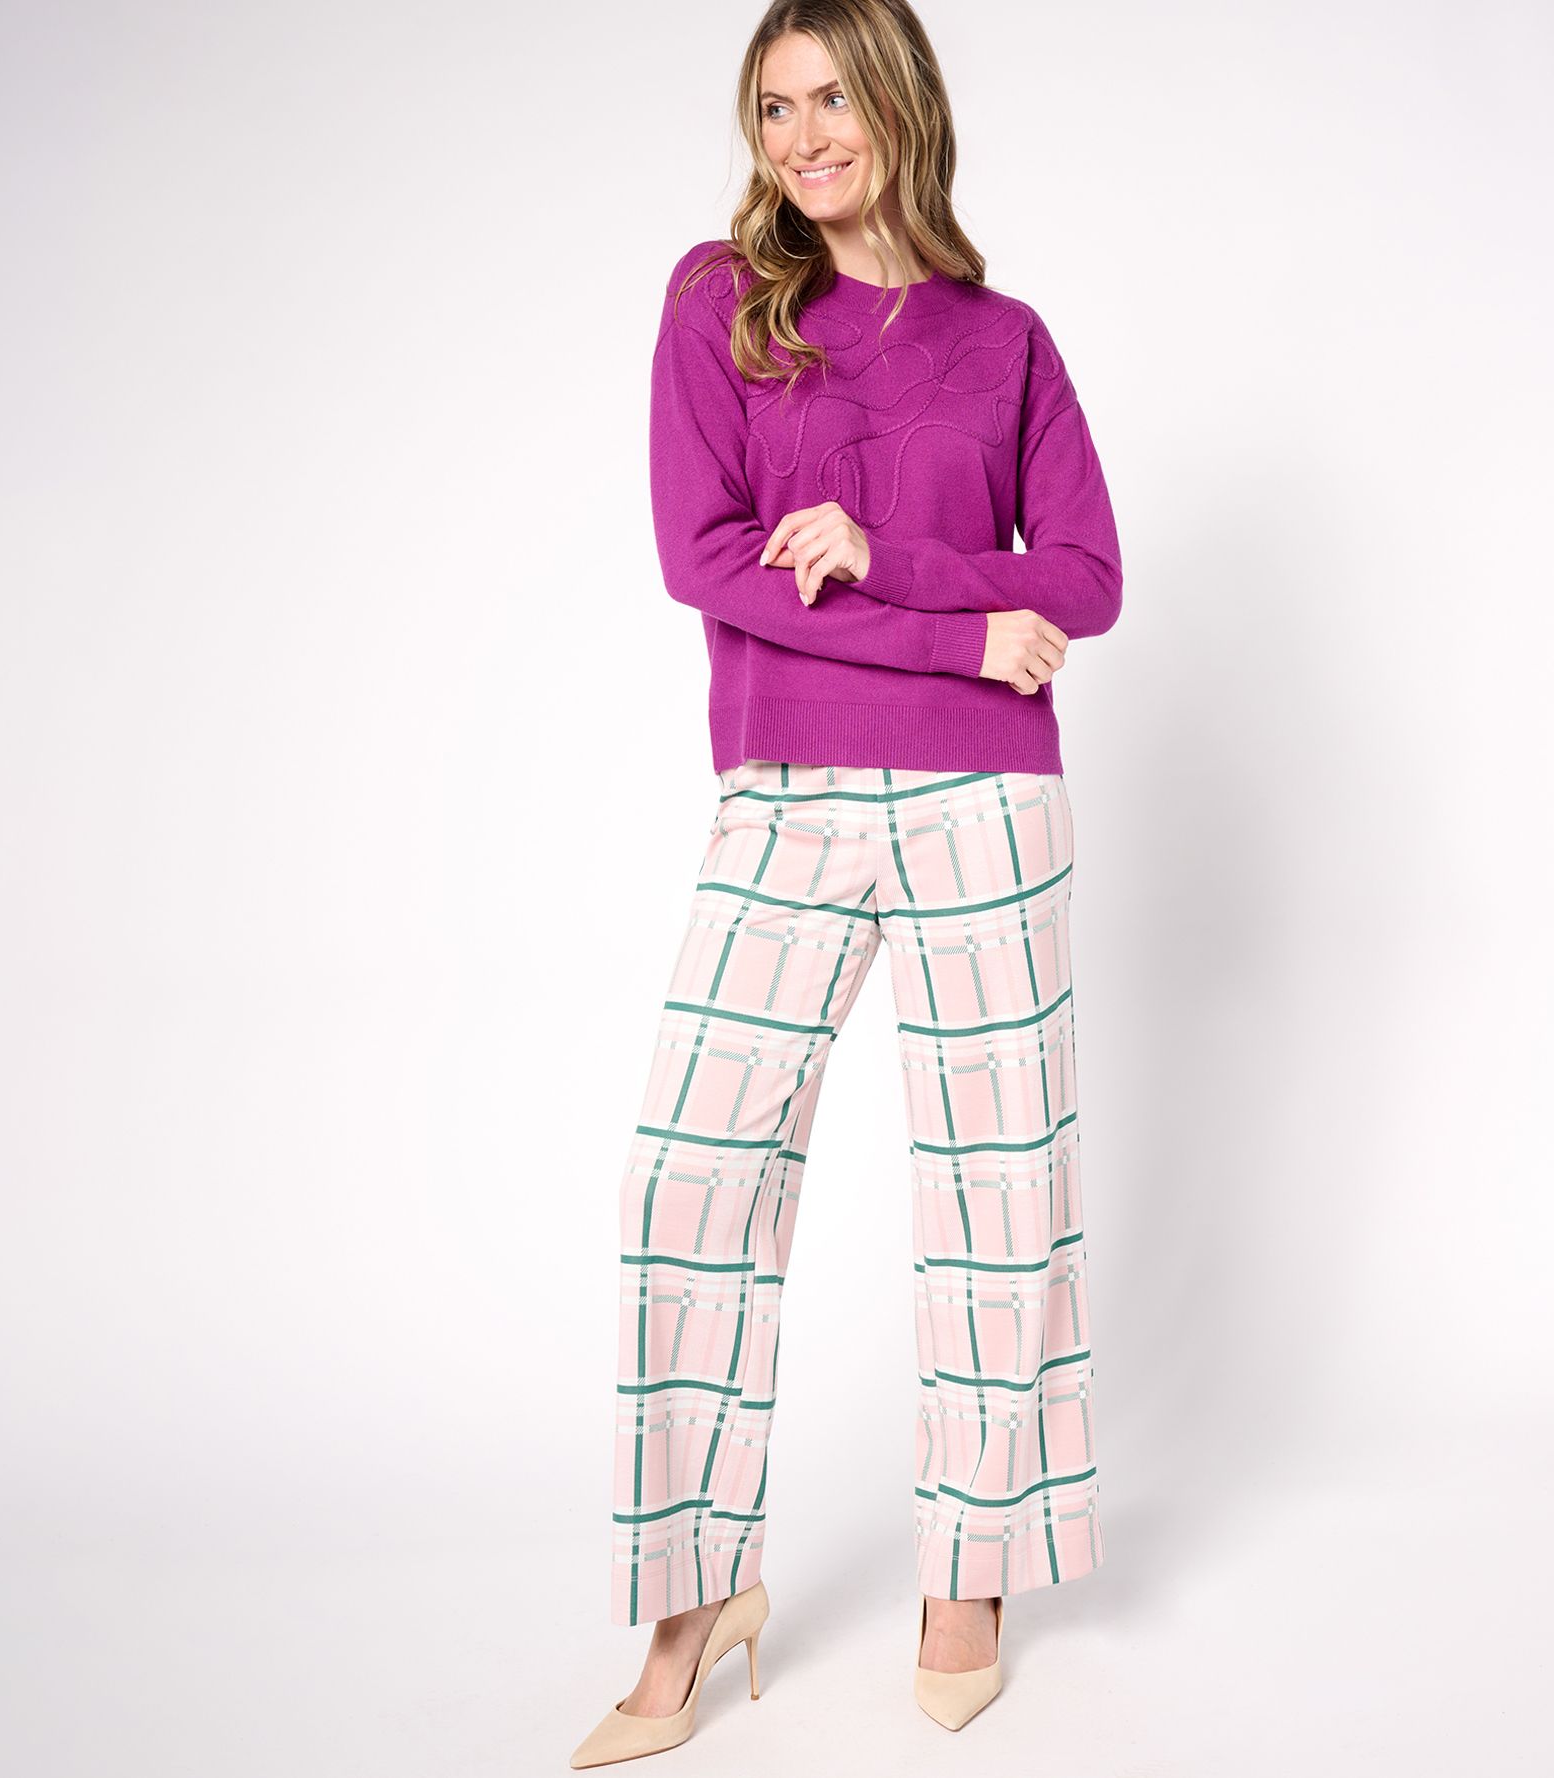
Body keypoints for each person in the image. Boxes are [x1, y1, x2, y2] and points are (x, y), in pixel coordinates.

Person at [572, 0, 1123, 1762]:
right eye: (772, 107)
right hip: (792, 789)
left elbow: (1087, 578)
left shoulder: (1005, 339)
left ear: (897, 103)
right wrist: (963, 633)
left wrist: (900, 559)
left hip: (987, 801)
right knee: (691, 1177)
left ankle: (972, 1569)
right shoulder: (720, 305)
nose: (802, 136)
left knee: (998, 1189)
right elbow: (707, 557)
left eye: (830, 98)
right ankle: (693, 1590)